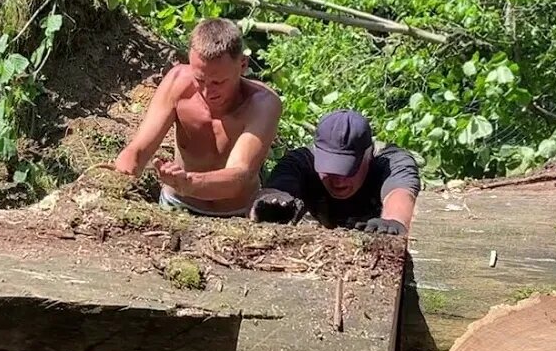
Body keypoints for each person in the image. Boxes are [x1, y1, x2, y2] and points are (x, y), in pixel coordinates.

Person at [114, 18, 281, 216]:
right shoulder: (177, 83)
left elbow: (239, 176)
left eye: (218, 82)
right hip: (176, 204)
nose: (207, 91)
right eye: (199, 79)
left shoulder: (263, 104)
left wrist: (189, 183)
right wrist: (120, 181)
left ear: (243, 65)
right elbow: (138, 149)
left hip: (236, 214)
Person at [250, 109, 420, 234]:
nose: (338, 182)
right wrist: (270, 202)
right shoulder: (301, 161)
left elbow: (400, 192)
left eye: (348, 171)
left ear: (368, 155)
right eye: (329, 170)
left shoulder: (391, 161)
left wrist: (393, 221)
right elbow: (278, 187)